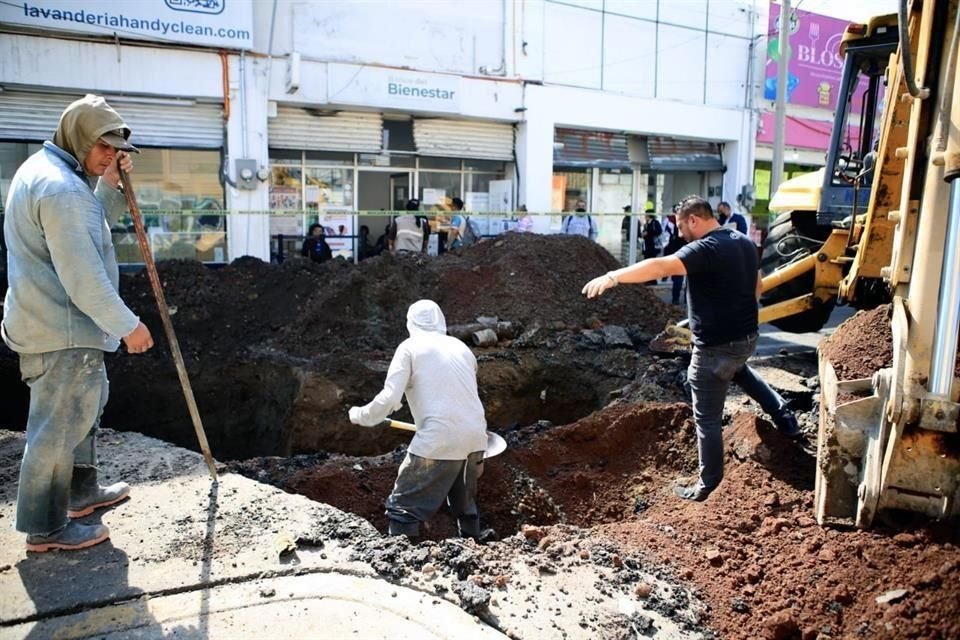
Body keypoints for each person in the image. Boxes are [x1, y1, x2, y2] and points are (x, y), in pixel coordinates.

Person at [2, 94, 155, 552]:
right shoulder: (61, 189)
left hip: (61, 325)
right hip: (61, 327)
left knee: (84, 408)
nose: (110, 155)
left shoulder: (58, 178)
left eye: (115, 149)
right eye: (103, 147)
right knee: (59, 425)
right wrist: (128, 325)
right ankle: (45, 527)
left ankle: (80, 492)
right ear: (79, 137)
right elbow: (83, 276)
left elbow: (89, 228)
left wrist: (107, 184)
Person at [581, 195, 801, 502]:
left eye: (682, 227)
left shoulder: (705, 248)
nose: (681, 234)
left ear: (694, 220)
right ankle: (785, 416)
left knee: (707, 419)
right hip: (747, 339)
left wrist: (613, 276)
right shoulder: (744, 242)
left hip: (713, 349)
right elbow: (758, 288)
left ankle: (708, 484)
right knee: (740, 371)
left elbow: (661, 265)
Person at [347, 300, 488, 541]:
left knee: (403, 508)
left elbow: (389, 398)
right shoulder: (462, 349)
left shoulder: (410, 347)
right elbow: (462, 398)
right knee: (465, 506)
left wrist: (361, 415)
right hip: (477, 439)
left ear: (410, 323)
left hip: (438, 440)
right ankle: (474, 549)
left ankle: (403, 560)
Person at [662, 212, 686, 304]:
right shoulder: (687, 221)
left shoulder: (670, 220)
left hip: (675, 252)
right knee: (684, 278)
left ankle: (676, 299)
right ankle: (685, 300)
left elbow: (666, 237)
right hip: (685, 250)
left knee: (678, 277)